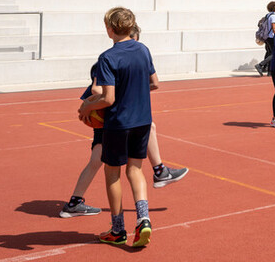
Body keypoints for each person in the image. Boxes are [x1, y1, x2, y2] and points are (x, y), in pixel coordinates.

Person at [62, 26, 187, 219]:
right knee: (123, 158)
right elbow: (96, 90)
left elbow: (153, 84)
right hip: (107, 117)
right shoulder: (108, 59)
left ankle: (74, 203)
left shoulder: (128, 56)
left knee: (97, 160)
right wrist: (91, 105)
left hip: (114, 116)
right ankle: (159, 171)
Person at [78, 7, 156, 247]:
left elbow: (108, 98)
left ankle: (118, 229)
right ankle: (143, 218)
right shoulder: (143, 49)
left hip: (119, 123)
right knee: (136, 170)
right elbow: (154, 83)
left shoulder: (107, 57)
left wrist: (87, 107)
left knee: (112, 173)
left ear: (109, 29)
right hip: (143, 120)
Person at [254, 1, 275, 76]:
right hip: (271, 37)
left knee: (271, 53)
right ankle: (260, 65)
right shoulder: (273, 16)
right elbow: (274, 28)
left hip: (267, 37)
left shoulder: (268, 15)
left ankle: (270, 71)